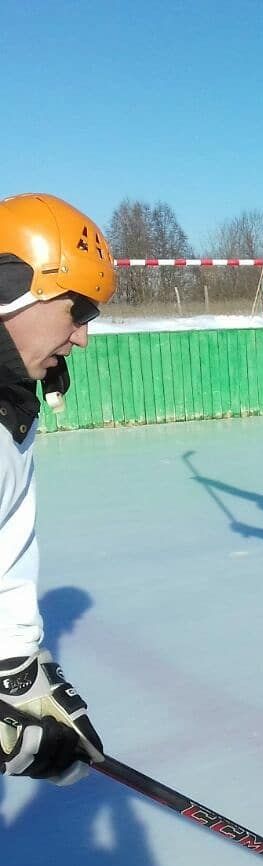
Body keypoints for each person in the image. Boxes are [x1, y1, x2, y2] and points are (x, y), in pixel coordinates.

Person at [0, 193, 113, 788]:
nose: (84, 338)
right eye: (78, 311)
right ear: (10, 290)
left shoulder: (12, 406)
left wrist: (17, 670)